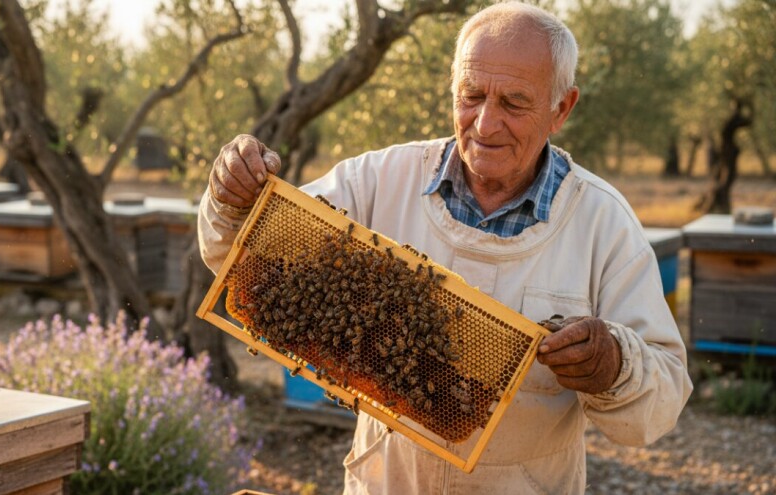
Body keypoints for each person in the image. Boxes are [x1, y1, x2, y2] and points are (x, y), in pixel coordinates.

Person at [198, 2, 693, 493]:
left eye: (514, 102)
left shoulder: (603, 222)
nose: (484, 124)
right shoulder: (376, 180)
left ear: (561, 108)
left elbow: (661, 403)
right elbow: (243, 255)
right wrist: (232, 198)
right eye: (472, 95)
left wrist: (615, 365)